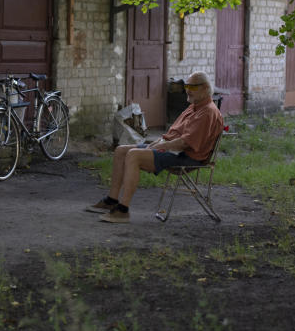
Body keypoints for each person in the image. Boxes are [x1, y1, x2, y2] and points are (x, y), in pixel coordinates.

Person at [87, 71, 223, 223]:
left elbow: (184, 143)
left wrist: (159, 146)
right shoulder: (195, 105)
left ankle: (123, 210)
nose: (187, 90)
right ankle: (112, 200)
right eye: (186, 85)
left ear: (205, 88)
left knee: (133, 155)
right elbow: (173, 134)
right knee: (121, 151)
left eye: (192, 86)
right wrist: (156, 143)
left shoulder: (207, 112)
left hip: (186, 156)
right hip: (173, 149)